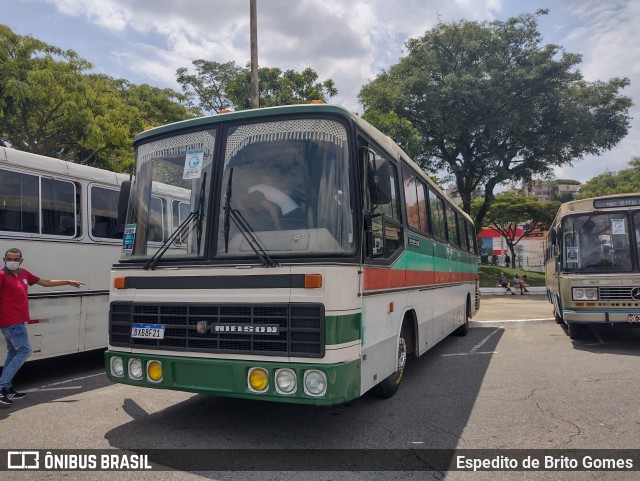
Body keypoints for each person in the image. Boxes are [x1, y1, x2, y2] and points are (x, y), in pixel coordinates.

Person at [0, 247, 84, 406]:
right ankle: (1, 386)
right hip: (10, 321)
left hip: (18, 320)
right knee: (25, 350)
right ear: (4, 259)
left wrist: (68, 281)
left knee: (13, 353)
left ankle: (7, 389)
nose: (12, 261)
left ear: (21, 261)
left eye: (16, 259)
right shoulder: (2, 275)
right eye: (9, 259)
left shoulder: (24, 273)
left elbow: (45, 282)